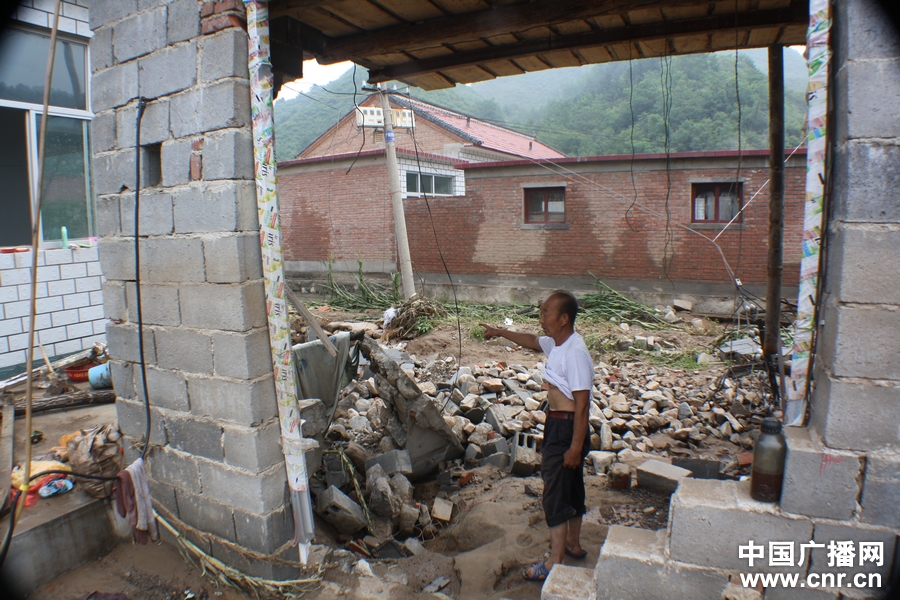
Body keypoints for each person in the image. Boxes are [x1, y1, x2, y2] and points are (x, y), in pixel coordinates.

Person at [480, 290, 594, 582]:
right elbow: (531, 340)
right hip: (559, 423)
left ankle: (555, 562)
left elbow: (583, 405)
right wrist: (500, 332)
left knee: (555, 491)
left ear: (564, 318)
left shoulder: (575, 352)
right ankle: (573, 544)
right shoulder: (557, 344)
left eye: (546, 313)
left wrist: (574, 446)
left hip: (568, 427)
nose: (541, 319)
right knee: (571, 485)